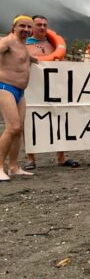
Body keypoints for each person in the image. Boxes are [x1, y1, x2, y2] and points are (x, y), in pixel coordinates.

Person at [24, 15, 79, 169]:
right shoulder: (23, 44)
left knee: (59, 119)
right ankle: (30, 158)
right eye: (38, 24)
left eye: (45, 25)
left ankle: (61, 157)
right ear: (32, 27)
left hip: (53, 87)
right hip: (31, 87)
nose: (42, 27)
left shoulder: (53, 45)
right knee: (30, 120)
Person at [0, 15, 37, 182]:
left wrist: (33, 59)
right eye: (22, 26)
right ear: (13, 27)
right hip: (5, 87)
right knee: (12, 128)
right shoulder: (7, 41)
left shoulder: (24, 45)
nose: (26, 30)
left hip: (20, 92)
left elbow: (20, 61)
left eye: (29, 27)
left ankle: (14, 167)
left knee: (19, 130)